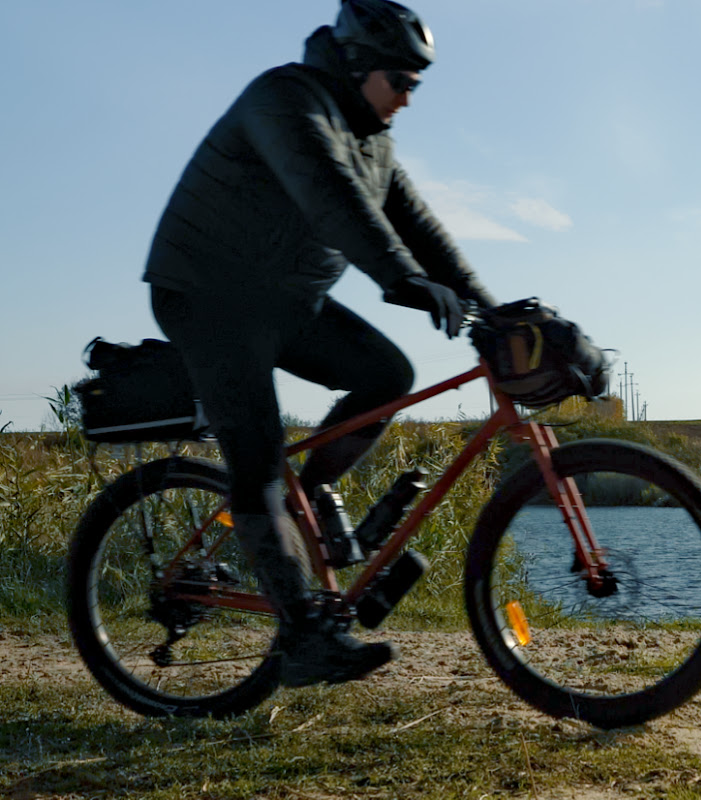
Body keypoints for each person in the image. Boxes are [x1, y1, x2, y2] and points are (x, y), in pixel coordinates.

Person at [143, 0, 496, 688]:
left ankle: (302, 518)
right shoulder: (285, 100)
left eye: (417, 85)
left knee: (387, 374)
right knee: (258, 457)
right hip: (207, 292)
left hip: (282, 297)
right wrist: (402, 280)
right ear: (359, 65)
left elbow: (419, 225)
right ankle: (302, 638)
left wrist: (492, 306)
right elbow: (332, 198)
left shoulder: (373, 139)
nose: (408, 98)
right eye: (401, 81)